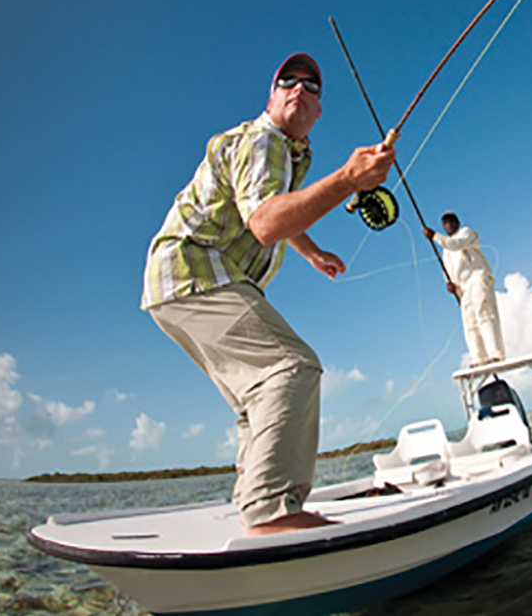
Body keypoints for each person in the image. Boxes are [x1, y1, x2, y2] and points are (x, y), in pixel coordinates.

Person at [142, 52, 396, 536]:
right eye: (288, 81)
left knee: (253, 400)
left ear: (318, 111)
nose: (300, 87)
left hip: (173, 284)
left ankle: (254, 502)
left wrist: (311, 251)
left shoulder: (288, 154)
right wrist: (347, 179)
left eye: (312, 86)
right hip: (197, 272)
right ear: (273, 96)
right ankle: (271, 512)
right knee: (290, 368)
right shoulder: (266, 139)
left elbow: (267, 207)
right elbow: (263, 222)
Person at [423, 212, 506, 366]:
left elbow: (456, 245)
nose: (448, 225)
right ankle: (478, 358)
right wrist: (449, 283)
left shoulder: (467, 233)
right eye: (445, 223)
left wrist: (435, 236)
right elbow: (447, 269)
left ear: (457, 222)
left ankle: (496, 353)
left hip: (478, 279)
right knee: (470, 323)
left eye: (450, 221)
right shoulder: (445, 249)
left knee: (485, 314)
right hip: (464, 289)